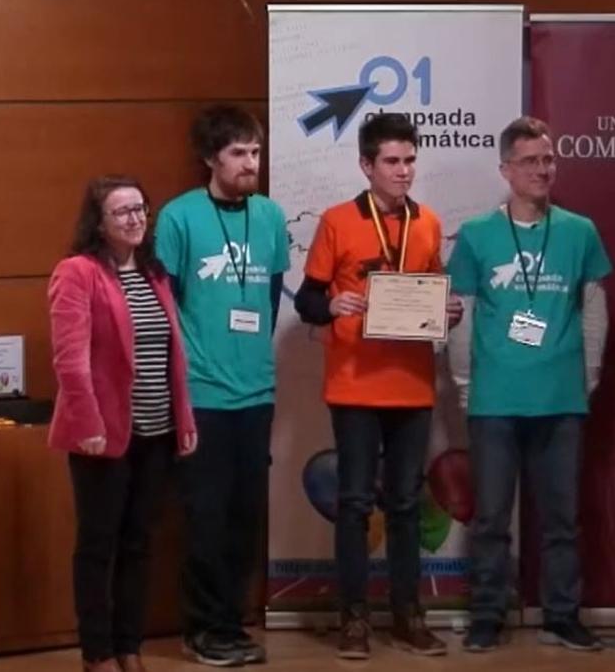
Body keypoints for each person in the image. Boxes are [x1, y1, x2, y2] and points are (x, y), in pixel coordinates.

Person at [294, 113, 462, 659]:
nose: (403, 171)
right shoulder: (339, 221)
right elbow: (307, 299)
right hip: (355, 386)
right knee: (355, 504)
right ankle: (353, 619)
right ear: (367, 165)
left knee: (408, 505)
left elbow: (429, 292)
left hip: (412, 387)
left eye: (410, 160)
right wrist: (332, 304)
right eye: (392, 161)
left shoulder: (429, 223)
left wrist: (447, 311)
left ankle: (409, 615)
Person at [446, 116, 611, 653]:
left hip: (561, 396)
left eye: (549, 159)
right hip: (495, 397)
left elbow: (593, 307)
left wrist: (588, 375)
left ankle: (562, 615)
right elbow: (463, 314)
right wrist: (465, 383)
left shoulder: (579, 230)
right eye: (531, 161)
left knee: (562, 517)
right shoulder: (476, 235)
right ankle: (487, 614)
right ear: (506, 170)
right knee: (491, 516)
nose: (543, 170)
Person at [154, 104, 290, 667]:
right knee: (205, 518)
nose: (249, 163)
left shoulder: (271, 217)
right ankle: (202, 628)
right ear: (211, 157)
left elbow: (273, 292)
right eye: (238, 153)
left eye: (254, 152)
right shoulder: (179, 218)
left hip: (256, 393)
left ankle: (232, 622)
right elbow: (166, 304)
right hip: (203, 394)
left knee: (243, 517)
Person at [48, 175, 198, 672]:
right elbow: (70, 360)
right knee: (98, 544)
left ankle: (130, 646)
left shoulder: (155, 274)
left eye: (141, 209)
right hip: (102, 435)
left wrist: (185, 418)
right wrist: (88, 422)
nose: (135, 220)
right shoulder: (78, 272)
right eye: (122, 212)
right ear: (99, 223)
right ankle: (98, 652)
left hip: (155, 433)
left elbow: (172, 353)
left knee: (139, 543)